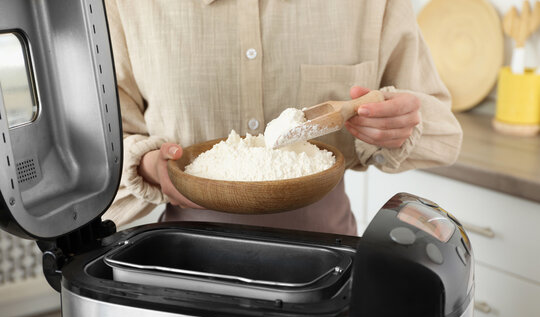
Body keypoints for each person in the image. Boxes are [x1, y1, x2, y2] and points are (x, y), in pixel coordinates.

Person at [103, 0, 462, 236]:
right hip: (186, 262)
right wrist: (150, 167)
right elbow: (97, 142)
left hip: (331, 264)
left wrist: (398, 122)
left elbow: (443, 133)